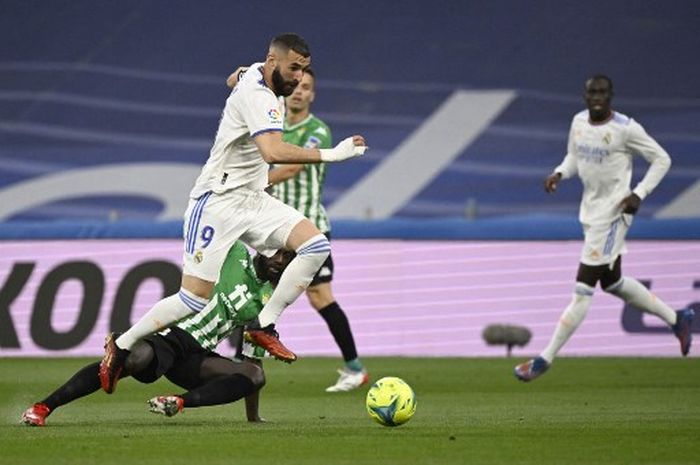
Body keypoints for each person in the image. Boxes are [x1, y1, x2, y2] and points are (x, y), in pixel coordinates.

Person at [99, 33, 367, 394]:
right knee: (193, 299)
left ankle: (263, 325)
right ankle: (123, 343)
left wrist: (239, 75)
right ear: (273, 61)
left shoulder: (258, 73)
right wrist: (334, 154)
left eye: (304, 71)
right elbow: (272, 151)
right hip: (217, 203)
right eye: (293, 68)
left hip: (253, 199)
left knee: (315, 246)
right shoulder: (260, 97)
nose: (299, 78)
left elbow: (234, 76)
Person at [514, 75, 694, 382]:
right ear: (585, 96)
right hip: (590, 214)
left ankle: (544, 359)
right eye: (591, 92)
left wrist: (639, 193)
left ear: (610, 96)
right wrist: (559, 173)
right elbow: (574, 156)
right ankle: (677, 319)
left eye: (602, 92)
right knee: (612, 282)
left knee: (583, 290)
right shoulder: (578, 123)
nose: (597, 97)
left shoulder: (625, 129)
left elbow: (661, 159)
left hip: (613, 216)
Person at [21, 242, 294, 426]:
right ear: (262, 246)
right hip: (170, 333)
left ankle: (177, 402)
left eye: (288, 258)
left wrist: (253, 418)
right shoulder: (234, 252)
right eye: (277, 252)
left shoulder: (270, 300)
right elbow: (225, 218)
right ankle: (44, 407)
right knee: (131, 361)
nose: (280, 261)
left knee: (255, 376)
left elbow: (253, 357)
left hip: (197, 355)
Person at [268, 68, 368, 392]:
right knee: (256, 295)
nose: (299, 91)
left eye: (306, 87)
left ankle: (355, 368)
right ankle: (244, 368)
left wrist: (253, 182)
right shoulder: (270, 125)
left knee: (320, 296)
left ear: (312, 95)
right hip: (272, 227)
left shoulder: (318, 131)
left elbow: (294, 166)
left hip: (310, 228)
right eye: (295, 85)